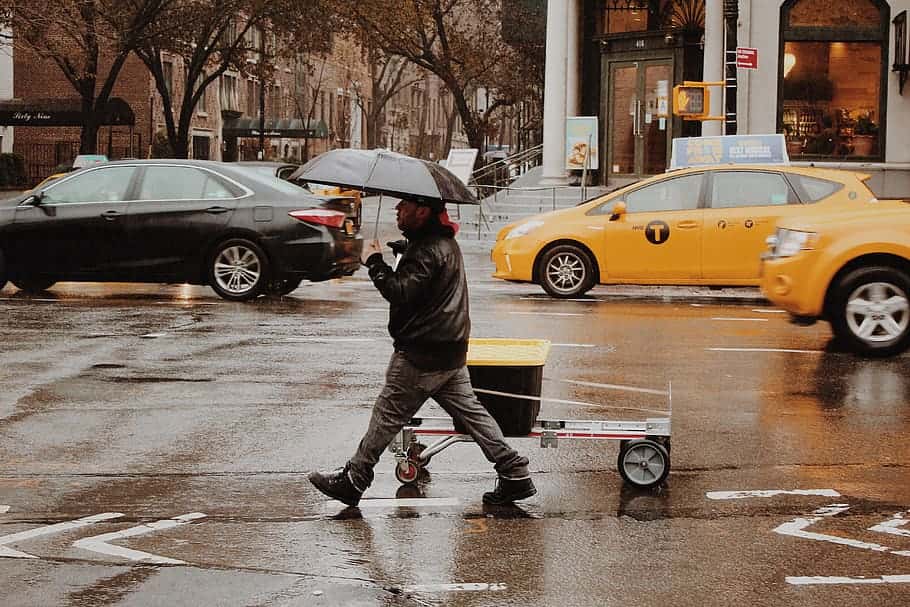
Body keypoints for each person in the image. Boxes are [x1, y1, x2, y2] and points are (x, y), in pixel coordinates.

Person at [308, 196, 535, 507]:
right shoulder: (442, 243)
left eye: (404, 207)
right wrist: (406, 252)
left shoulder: (427, 249)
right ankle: (515, 473)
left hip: (421, 354)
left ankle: (354, 478)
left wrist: (374, 261)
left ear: (423, 211)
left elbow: (399, 291)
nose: (397, 210)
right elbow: (426, 283)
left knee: (386, 416)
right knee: (473, 414)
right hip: (449, 349)